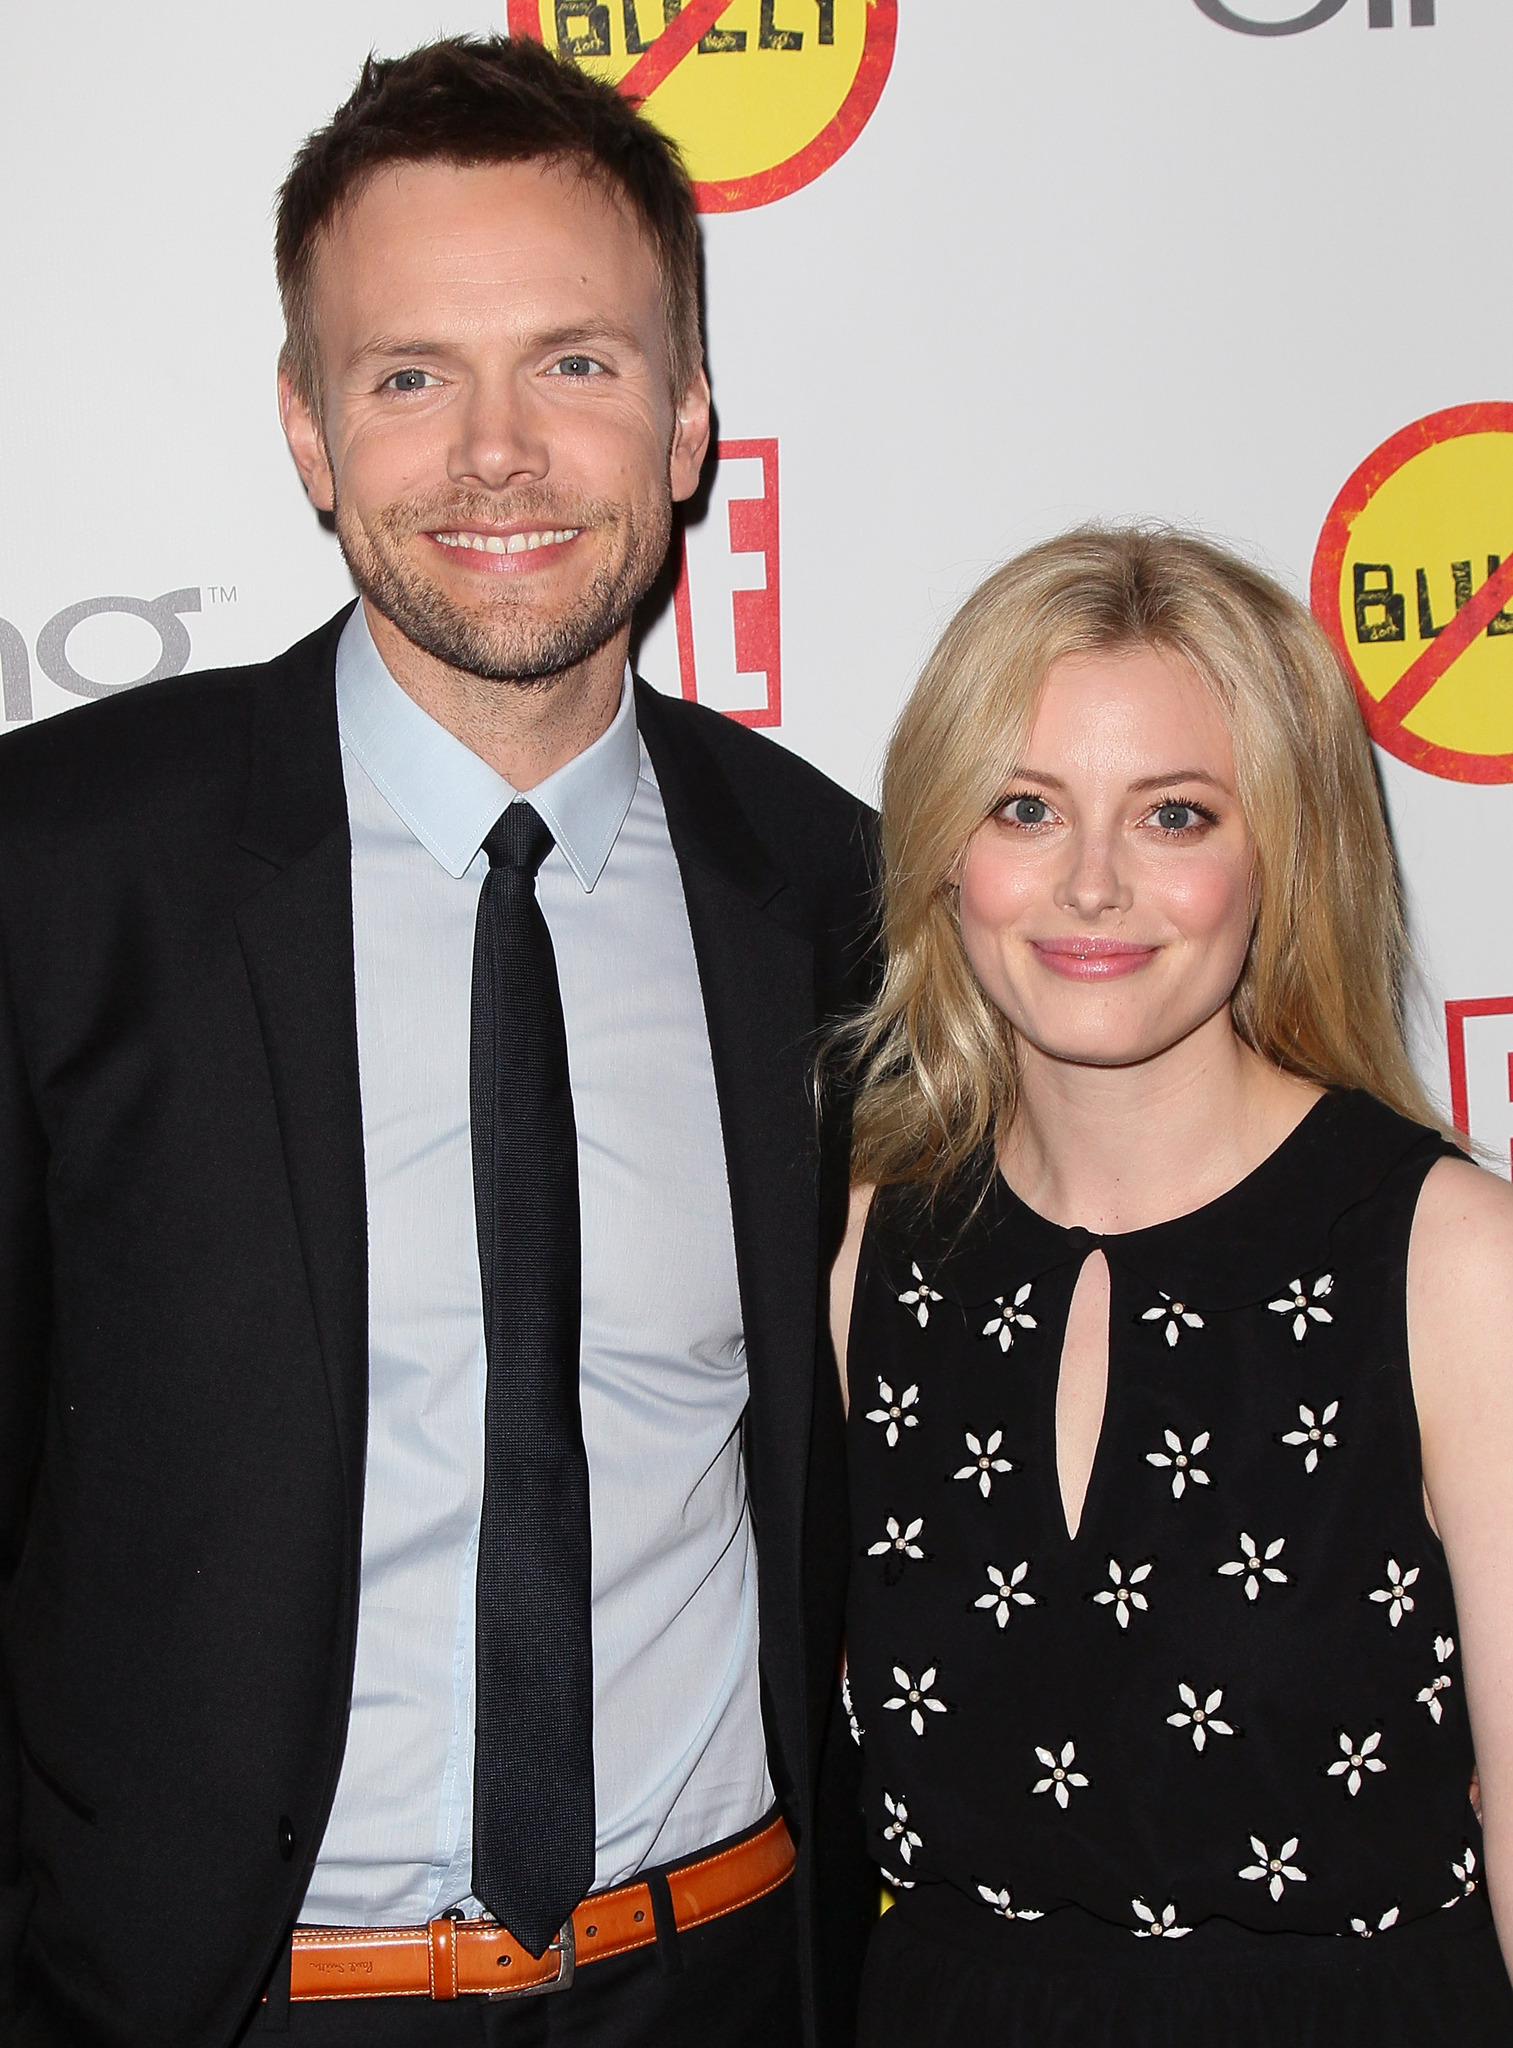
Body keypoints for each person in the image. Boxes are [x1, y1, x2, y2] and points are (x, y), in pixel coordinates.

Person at [0, 36, 878, 2048]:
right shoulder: (58, 883)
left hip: (726, 1977)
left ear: (685, 421)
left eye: (574, 361)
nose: (497, 451)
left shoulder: (831, 888)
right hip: (229, 2004)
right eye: (411, 376)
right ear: (308, 427)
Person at [828, 527, 1513, 2045]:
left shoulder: (1452, 1259)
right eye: (1025, 808)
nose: (1088, 886)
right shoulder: (862, 1252)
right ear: (945, 843)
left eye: (1173, 815)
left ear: (1281, 850)